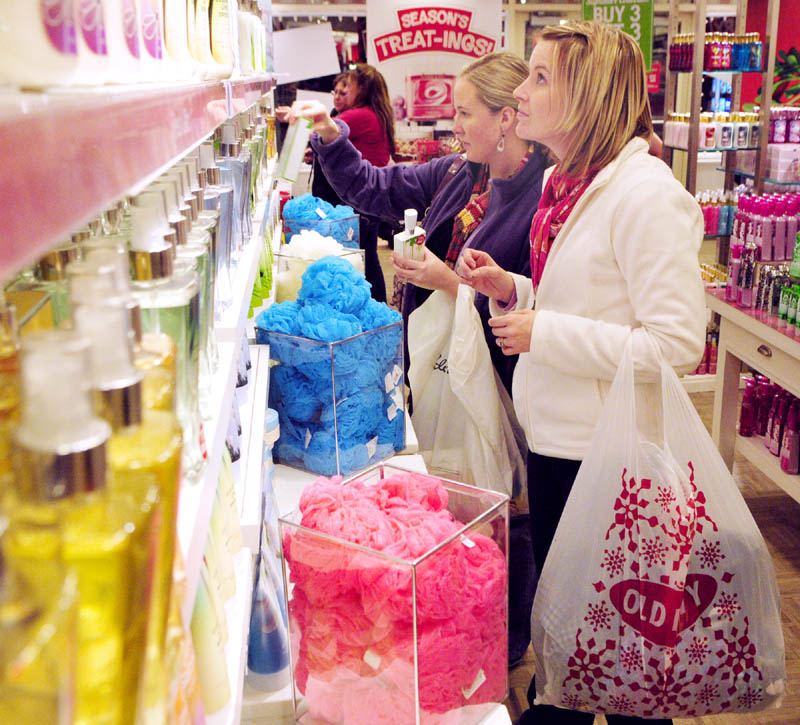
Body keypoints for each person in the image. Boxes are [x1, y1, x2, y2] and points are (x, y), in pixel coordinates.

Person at [457, 22, 705, 725]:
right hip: (563, 443)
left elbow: (676, 343)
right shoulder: (569, 185)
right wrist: (516, 292)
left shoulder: (645, 194)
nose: (524, 91)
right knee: (583, 639)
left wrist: (548, 332)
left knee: (617, 656)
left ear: (587, 95)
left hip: (613, 458)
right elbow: (586, 303)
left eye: (540, 77)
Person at [283, 51, 549, 668]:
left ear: (506, 119)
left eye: (464, 112)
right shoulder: (461, 172)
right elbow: (376, 187)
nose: (454, 123)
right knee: (470, 497)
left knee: (511, 501)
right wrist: (331, 136)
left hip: (506, 383)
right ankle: (477, 612)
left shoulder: (539, 198)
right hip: (446, 371)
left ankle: (506, 645)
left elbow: (532, 306)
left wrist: (446, 280)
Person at [310, 73, 350, 207]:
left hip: (336, 193)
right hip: (323, 188)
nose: (337, 97)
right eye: (335, 93)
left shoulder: (348, 121)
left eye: (342, 94)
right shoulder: (333, 114)